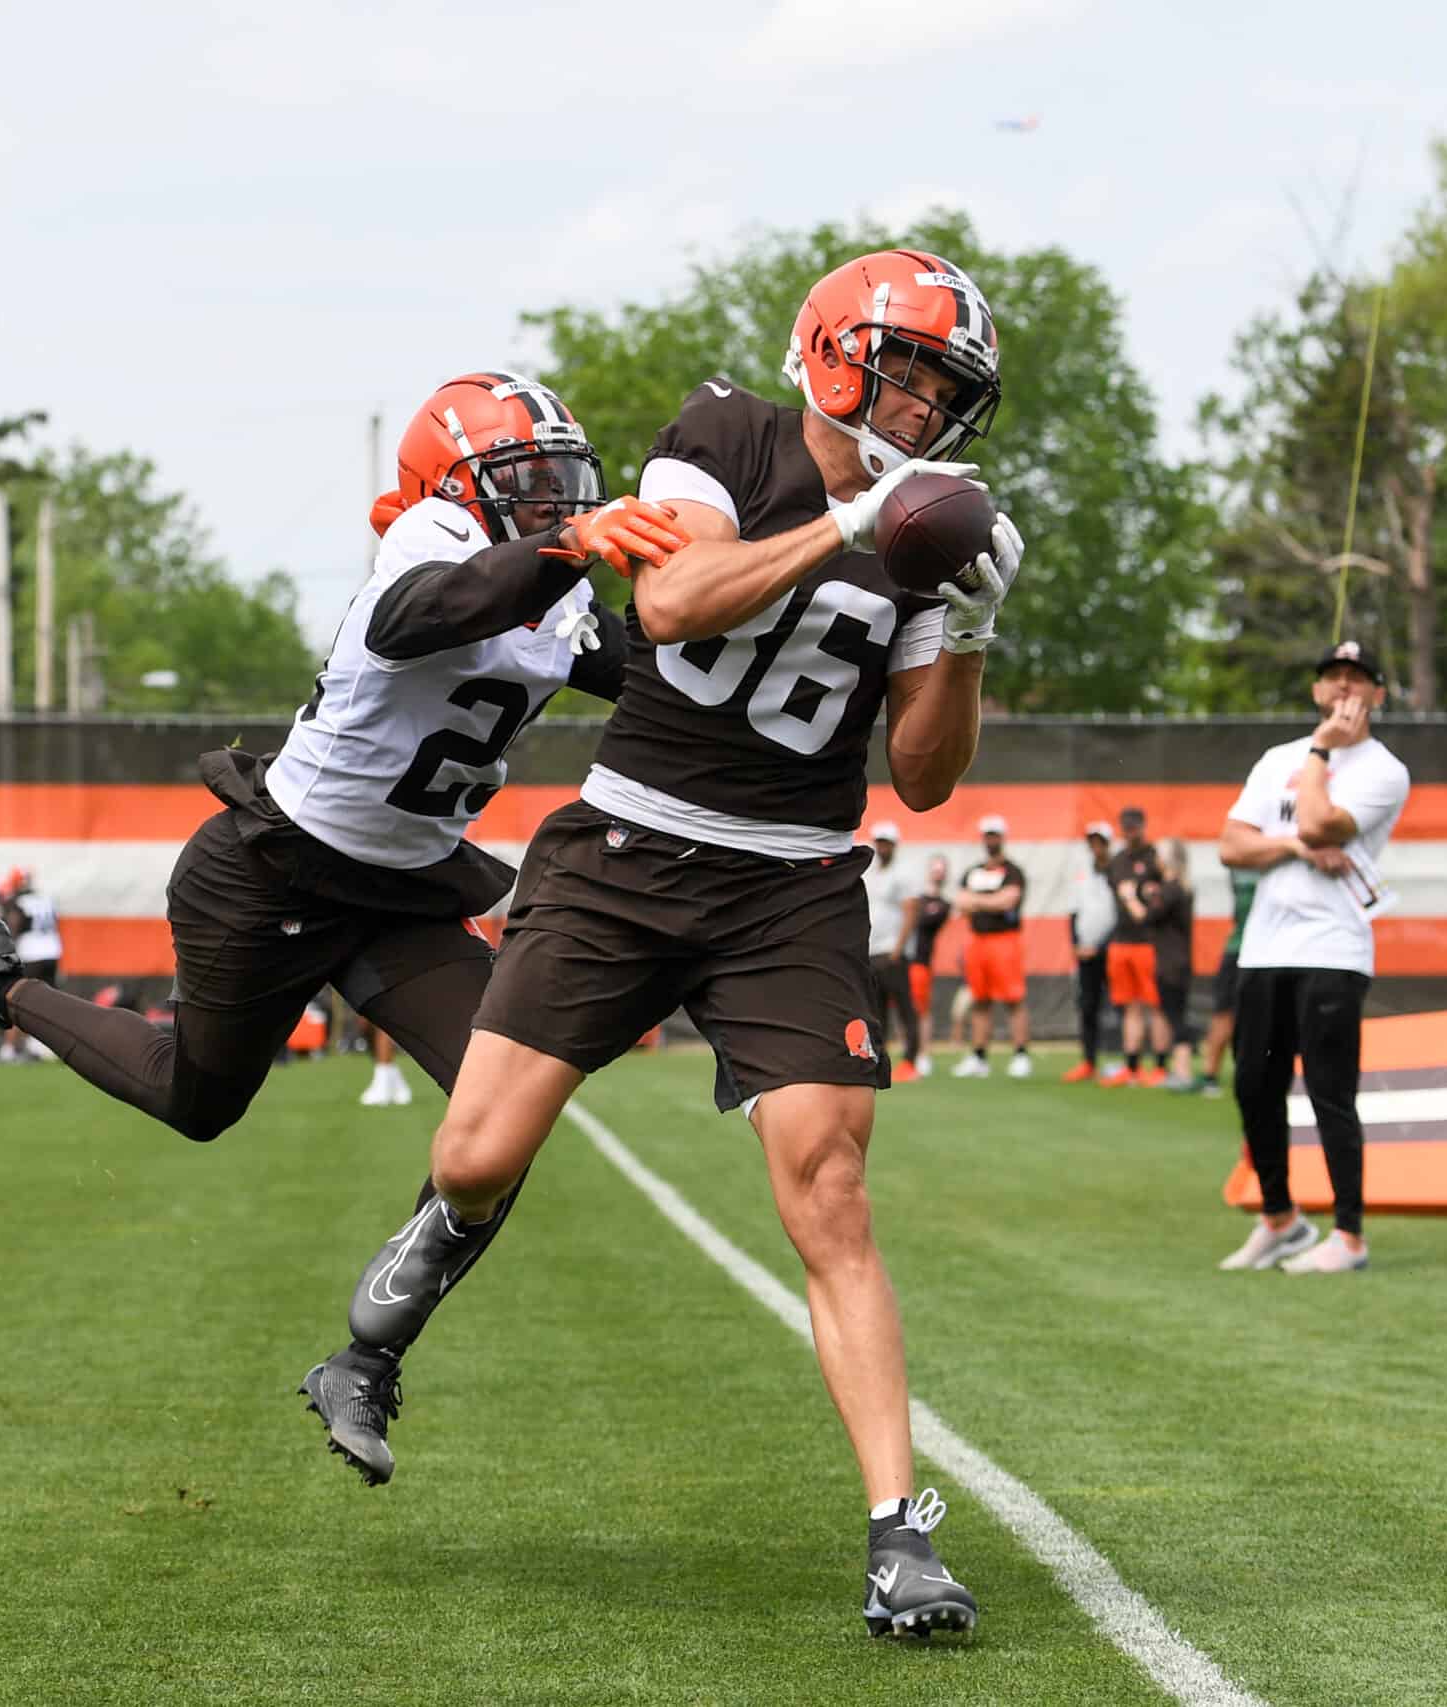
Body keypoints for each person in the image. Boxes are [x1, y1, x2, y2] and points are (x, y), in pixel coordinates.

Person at [262, 256, 1017, 1638]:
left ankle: (898, 1536)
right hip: (629, 848)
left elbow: (923, 777)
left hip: (792, 879)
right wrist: (849, 522)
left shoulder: (929, 529)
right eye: (900, 368)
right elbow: (669, 606)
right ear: (832, 354)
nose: (917, 402)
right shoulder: (728, 430)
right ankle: (377, 1337)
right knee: (478, 1153)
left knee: (829, 1189)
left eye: (940, 387)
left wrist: (963, 625)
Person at [0, 367, 663, 1431]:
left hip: (403, 891)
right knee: (199, 1102)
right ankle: (2, 987)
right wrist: (568, 546)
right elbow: (427, 616)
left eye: (561, 481)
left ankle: (368, 1358)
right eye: (526, 480)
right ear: (451, 487)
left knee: (501, 1119)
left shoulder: (555, 594)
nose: (554, 500)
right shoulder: (429, 541)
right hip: (273, 871)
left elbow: (665, 671)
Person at [1216, 640, 1410, 1274]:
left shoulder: (1383, 768)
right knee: (1254, 1086)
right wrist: (1295, 849)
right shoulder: (1277, 760)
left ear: (1378, 695)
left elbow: (1326, 822)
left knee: (1329, 1091)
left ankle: (1349, 1236)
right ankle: (1281, 1220)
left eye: (1358, 680)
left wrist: (1323, 751)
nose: (1344, 689)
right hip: (1267, 946)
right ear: (1316, 690)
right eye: (1333, 678)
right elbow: (1231, 845)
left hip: (1333, 946)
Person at [952, 815, 1032, 1078]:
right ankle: (979, 1056)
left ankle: (1020, 1054)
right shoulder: (972, 871)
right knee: (980, 1000)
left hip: (1004, 940)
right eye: (987, 835)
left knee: (1013, 998)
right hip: (977, 940)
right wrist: (989, 901)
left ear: (1002, 837)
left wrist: (978, 901)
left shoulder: (1013, 871)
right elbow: (961, 902)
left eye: (995, 835)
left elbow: (1008, 901)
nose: (991, 840)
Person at [1099, 806, 1167, 1086]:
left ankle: (1161, 1065)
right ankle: (1132, 1066)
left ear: (1143, 826)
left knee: (1155, 1005)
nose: (1130, 832)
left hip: (1149, 941)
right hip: (1122, 941)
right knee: (1130, 1007)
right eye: (1126, 827)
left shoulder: (1156, 858)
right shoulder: (1117, 861)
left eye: (1134, 827)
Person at [862, 823, 925, 1083]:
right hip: (873, 950)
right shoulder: (871, 872)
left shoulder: (904, 872)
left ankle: (911, 1060)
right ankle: (880, 1059)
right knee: (876, 1011)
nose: (882, 846)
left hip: (893, 951)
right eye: (879, 841)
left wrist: (899, 948)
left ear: (895, 844)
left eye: (886, 842)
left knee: (904, 1007)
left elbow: (911, 911)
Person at [1197, 866, 1258, 1097]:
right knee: (1224, 1014)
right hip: (1240, 950)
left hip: (1267, 953)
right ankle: (1210, 1075)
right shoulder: (1242, 864)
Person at [1063, 823, 1117, 1082]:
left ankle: (1122, 1061)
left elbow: (1121, 916)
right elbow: (1073, 911)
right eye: (1092, 842)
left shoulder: (1118, 870)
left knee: (1119, 1005)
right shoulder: (1082, 871)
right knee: (1088, 1005)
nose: (1096, 847)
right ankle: (1089, 1060)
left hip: (1111, 948)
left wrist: (1102, 945)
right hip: (1085, 951)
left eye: (1100, 842)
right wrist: (1076, 944)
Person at [0, 866, 59, 1062]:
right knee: (47, 1002)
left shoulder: (19, 901)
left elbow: (14, 926)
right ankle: (41, 1045)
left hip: (31, 954)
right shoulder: (45, 899)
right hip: (52, 952)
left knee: (20, 1000)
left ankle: (10, 1047)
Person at [1148, 839, 1200, 1090]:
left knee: (1175, 1016)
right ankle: (1180, 1070)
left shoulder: (1170, 889)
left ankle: (1183, 1072)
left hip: (1170, 963)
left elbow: (1148, 916)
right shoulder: (1180, 887)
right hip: (1177, 961)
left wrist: (1129, 898)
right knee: (1174, 1014)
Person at [907, 855, 952, 1067]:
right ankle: (910, 1049)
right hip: (902, 958)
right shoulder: (917, 897)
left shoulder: (942, 904)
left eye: (941, 869)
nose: (937, 872)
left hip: (921, 960)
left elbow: (923, 920)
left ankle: (924, 1053)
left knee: (921, 1008)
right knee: (902, 1007)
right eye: (935, 868)